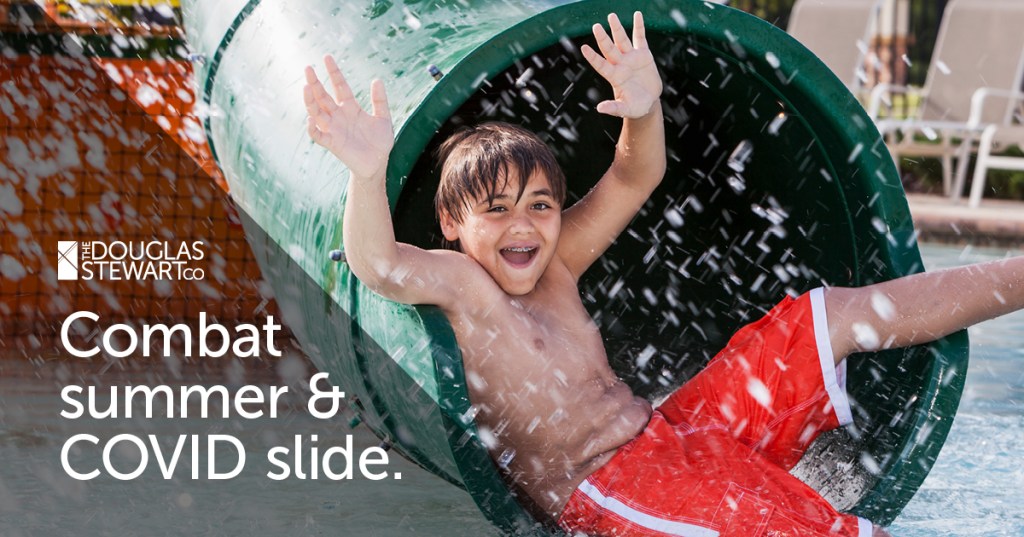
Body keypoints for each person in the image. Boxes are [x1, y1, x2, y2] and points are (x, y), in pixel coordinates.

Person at [303, 11, 1024, 537]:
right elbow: (380, 264)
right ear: (453, 223)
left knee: (824, 314)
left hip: (674, 432)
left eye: (541, 205)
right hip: (605, 488)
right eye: (496, 210)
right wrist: (368, 175)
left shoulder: (554, 266)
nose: (523, 225)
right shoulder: (466, 288)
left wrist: (642, 107)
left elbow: (633, 174)